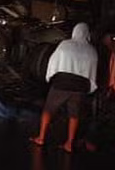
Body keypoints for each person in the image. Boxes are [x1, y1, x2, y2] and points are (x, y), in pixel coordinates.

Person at [30, 22, 98, 152]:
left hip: (63, 82)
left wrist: (49, 76)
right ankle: (69, 144)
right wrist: (90, 87)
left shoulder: (65, 44)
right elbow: (92, 71)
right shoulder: (92, 50)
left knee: (48, 109)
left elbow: (54, 61)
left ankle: (41, 137)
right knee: (74, 114)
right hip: (80, 86)